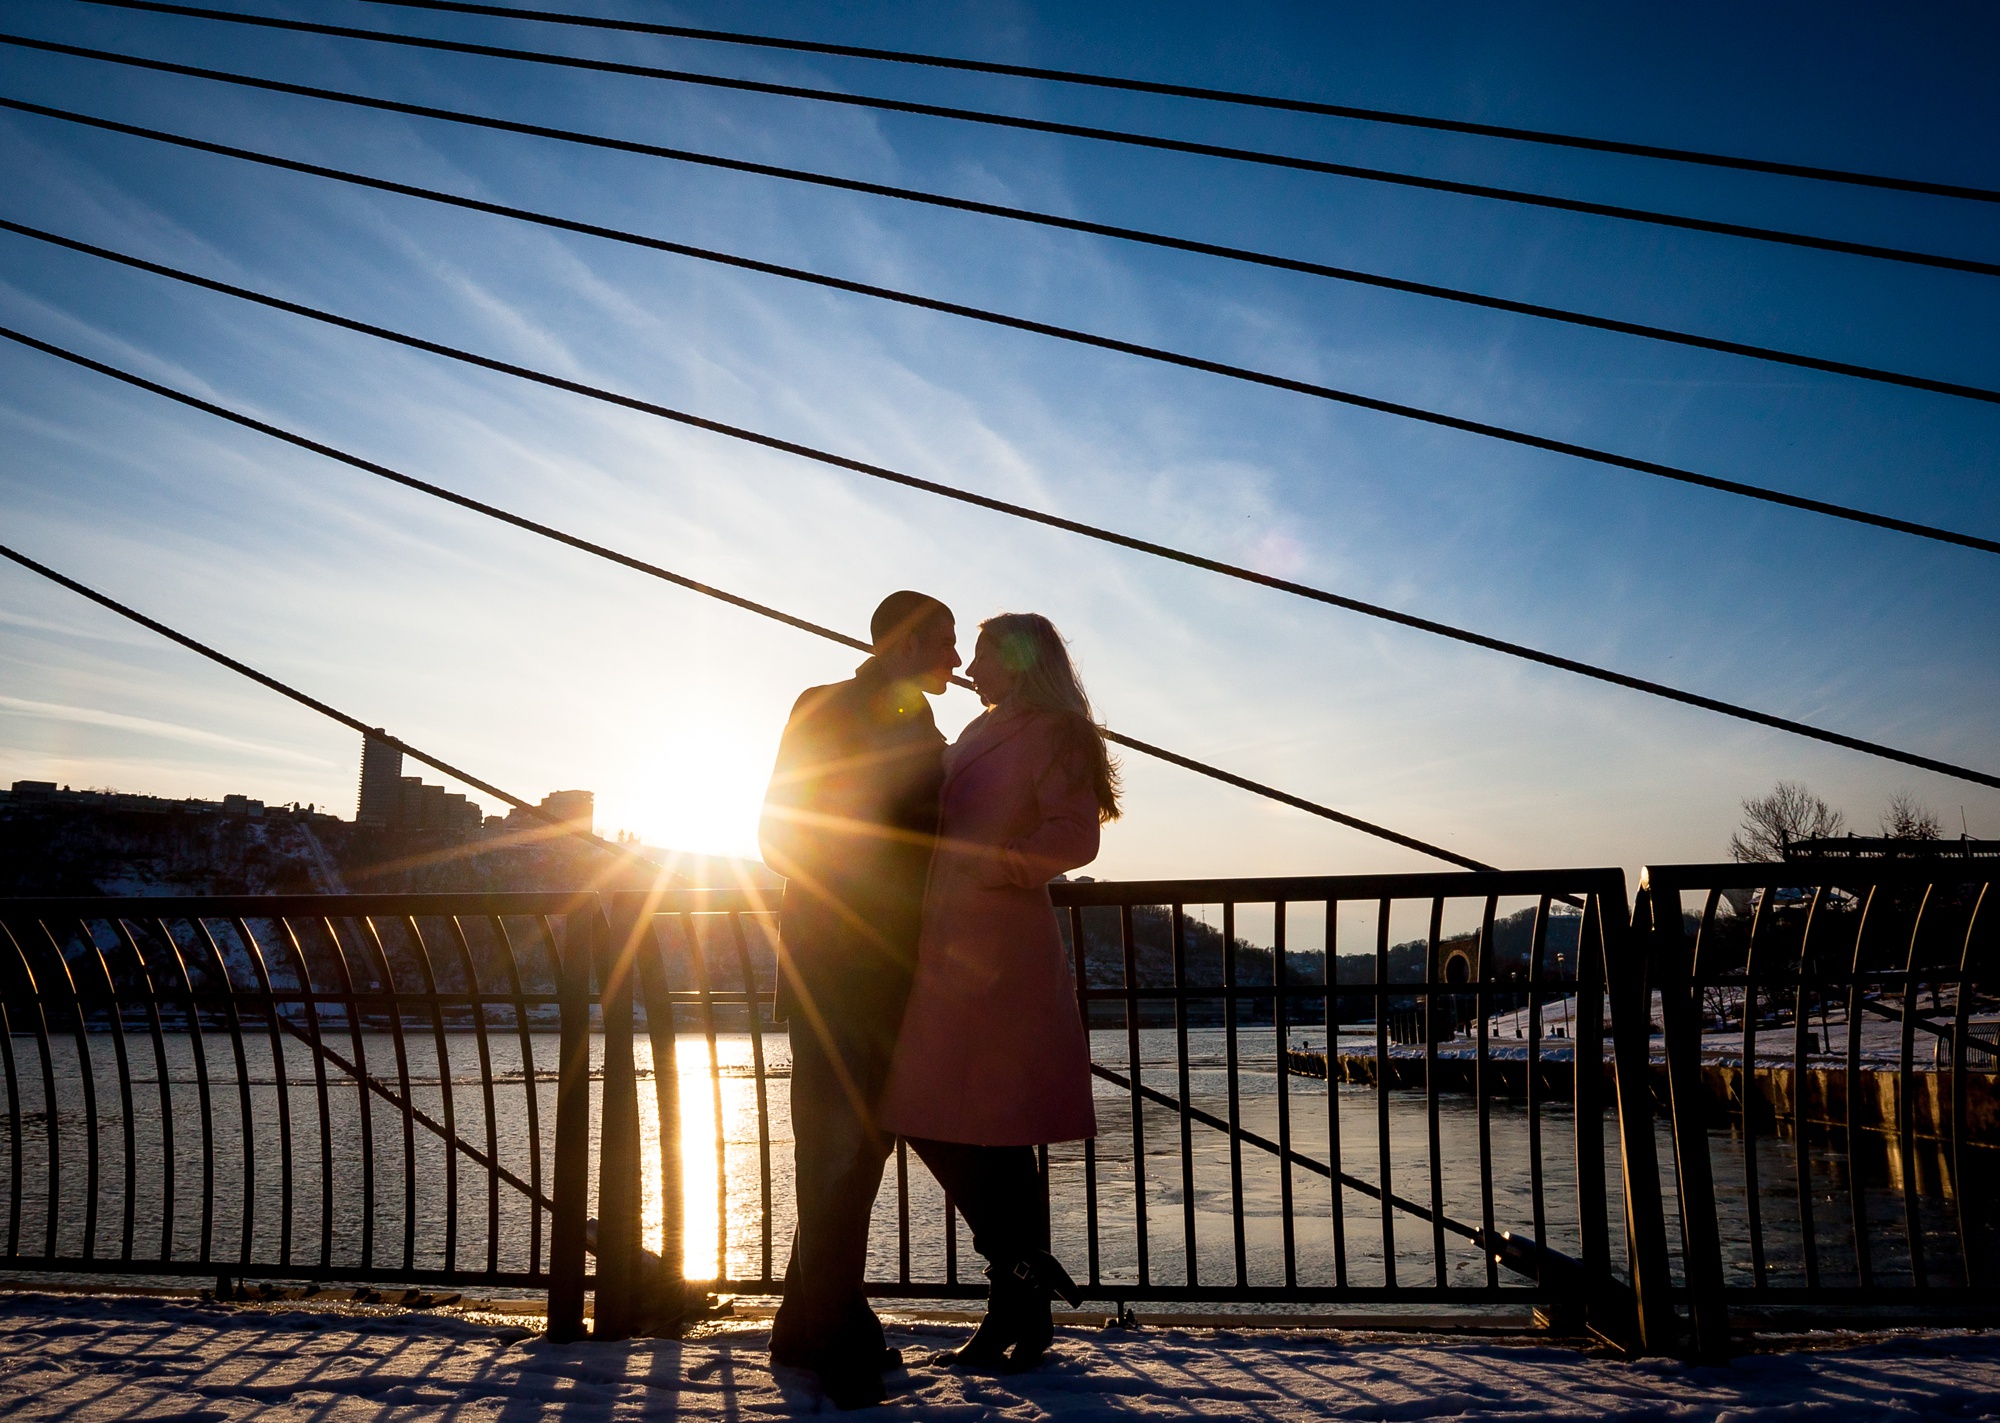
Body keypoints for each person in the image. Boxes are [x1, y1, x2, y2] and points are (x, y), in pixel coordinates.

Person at [879, 612, 1120, 1372]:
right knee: (951, 1118)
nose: (968, 661)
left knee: (980, 1122)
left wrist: (993, 865)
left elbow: (1075, 836)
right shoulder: (982, 730)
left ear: (1015, 660)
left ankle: (1015, 1293)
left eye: (980, 649)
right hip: (950, 952)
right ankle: (1023, 1287)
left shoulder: (1053, 734)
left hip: (1001, 951)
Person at [757, 590, 959, 1408]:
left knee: (844, 1155)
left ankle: (807, 1321)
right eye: (944, 638)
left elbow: (776, 834)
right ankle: (836, 1343)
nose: (955, 656)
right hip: (864, 971)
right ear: (907, 642)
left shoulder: (823, 704)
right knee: (843, 1157)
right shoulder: (900, 720)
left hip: (827, 967)